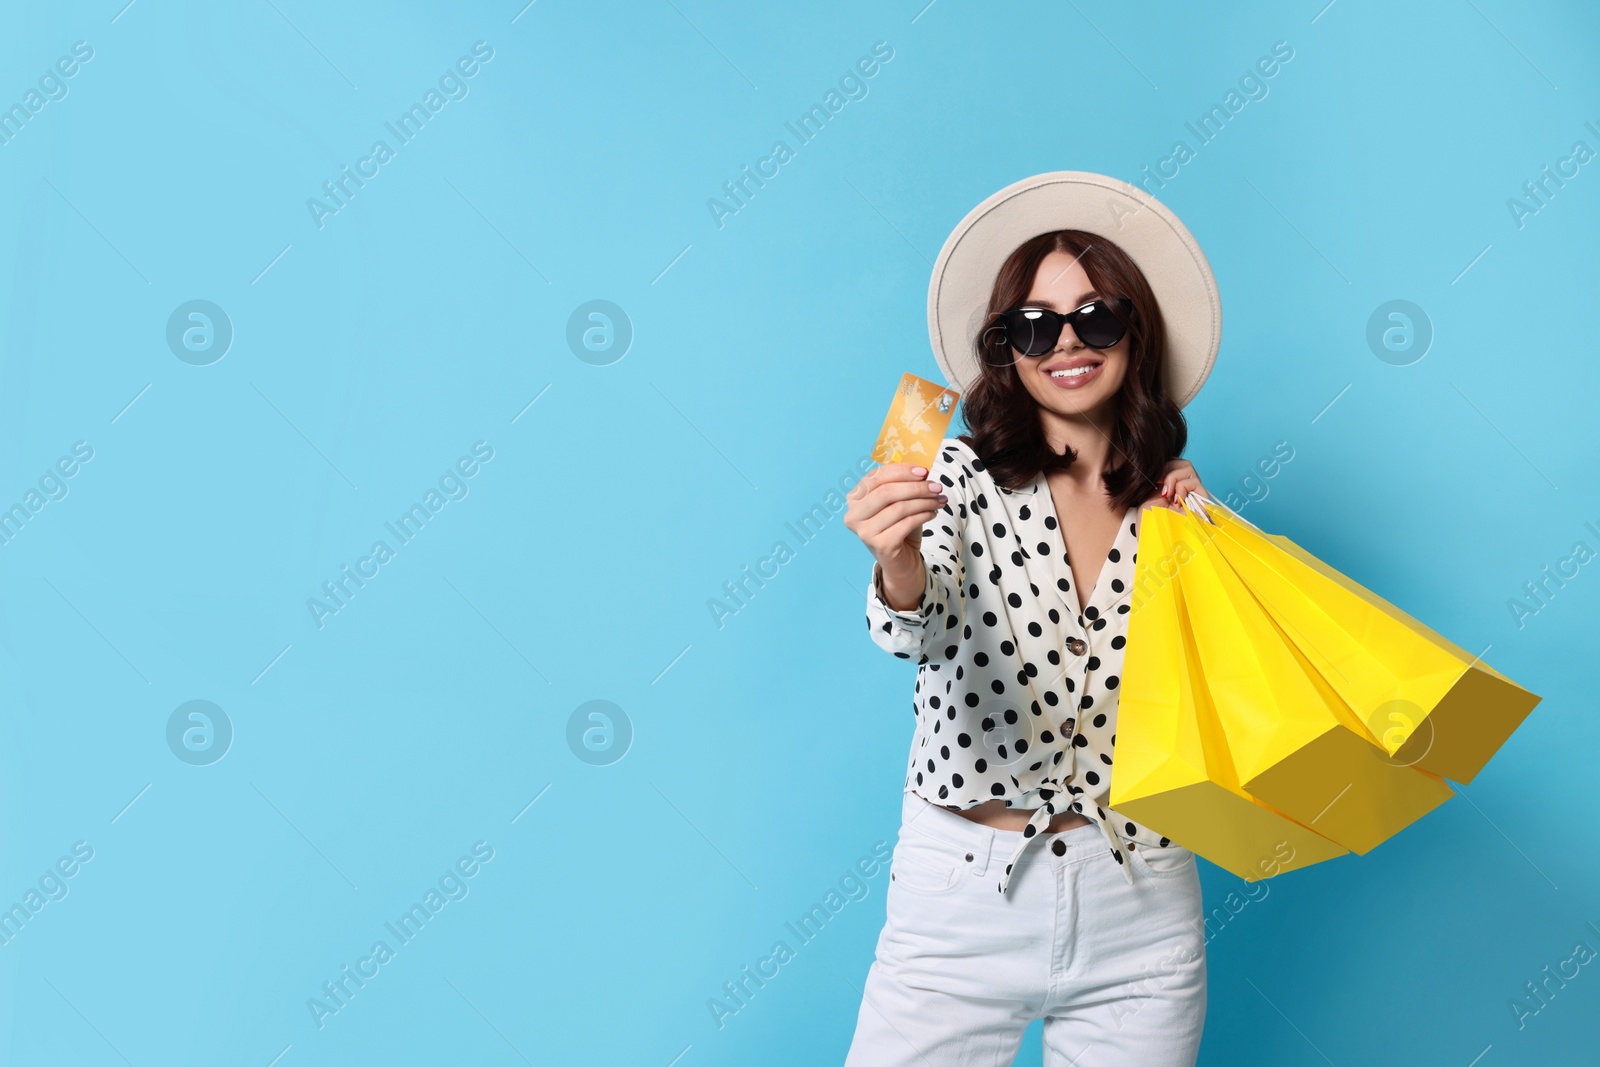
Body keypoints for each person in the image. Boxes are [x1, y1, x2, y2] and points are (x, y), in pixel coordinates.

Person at [842, 172, 1222, 1066]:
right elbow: (918, 623)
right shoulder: (958, 476)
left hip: (1143, 896)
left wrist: (1214, 548)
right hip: (961, 898)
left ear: (1136, 332)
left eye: (1095, 317)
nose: (1066, 344)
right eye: (1033, 326)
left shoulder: (1177, 508)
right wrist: (896, 560)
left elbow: (1223, 689)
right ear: (1004, 347)